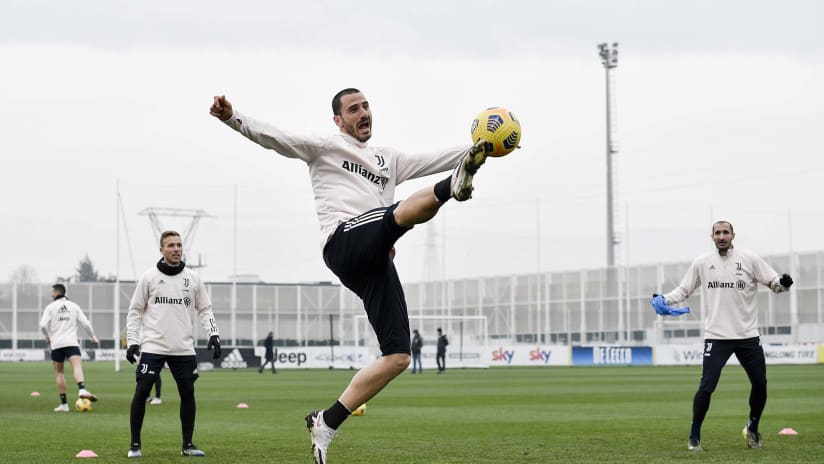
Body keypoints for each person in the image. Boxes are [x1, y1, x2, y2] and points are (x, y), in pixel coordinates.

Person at [210, 88, 492, 464]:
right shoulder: (326, 146)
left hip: (375, 259)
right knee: (396, 217)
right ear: (338, 120)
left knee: (398, 356)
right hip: (342, 241)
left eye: (366, 106)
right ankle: (451, 188)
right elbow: (275, 137)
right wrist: (232, 118)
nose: (363, 113)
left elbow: (434, 158)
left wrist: (485, 146)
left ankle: (326, 422)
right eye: (354, 109)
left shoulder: (388, 159)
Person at [657, 221, 793, 452]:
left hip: (747, 335)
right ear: (712, 236)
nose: (722, 236)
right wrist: (664, 299)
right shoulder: (702, 262)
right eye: (718, 233)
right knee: (707, 386)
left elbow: (773, 282)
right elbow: (684, 289)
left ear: (733, 235)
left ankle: (752, 429)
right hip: (716, 336)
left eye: (725, 232)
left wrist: (783, 283)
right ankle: (694, 436)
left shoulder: (749, 258)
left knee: (760, 384)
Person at [125, 230, 222, 458]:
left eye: (179, 245)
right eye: (171, 245)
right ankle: (135, 445)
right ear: (161, 250)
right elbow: (135, 311)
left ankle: (188, 445)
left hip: (183, 348)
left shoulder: (193, 278)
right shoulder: (149, 277)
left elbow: (205, 309)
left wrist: (214, 333)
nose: (176, 249)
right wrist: (132, 341)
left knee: (188, 392)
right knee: (142, 390)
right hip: (153, 346)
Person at [39, 283, 100, 412]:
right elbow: (86, 323)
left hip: (56, 344)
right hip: (71, 342)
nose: (51, 293)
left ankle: (64, 405)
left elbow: (43, 325)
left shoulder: (50, 307)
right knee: (77, 366)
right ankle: (82, 389)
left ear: (57, 292)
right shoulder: (74, 306)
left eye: (52, 291)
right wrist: (93, 338)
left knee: (59, 373)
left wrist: (48, 337)